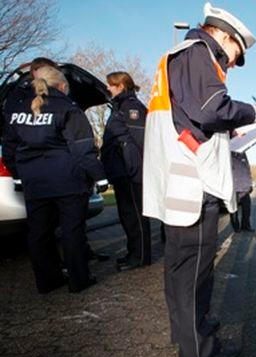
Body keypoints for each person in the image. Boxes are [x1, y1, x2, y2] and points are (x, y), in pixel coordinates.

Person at [142, 2, 256, 357]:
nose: (231, 63)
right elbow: (212, 110)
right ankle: (199, 348)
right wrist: (254, 113)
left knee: (180, 266)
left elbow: (193, 118)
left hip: (177, 176)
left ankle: (186, 329)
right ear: (223, 36)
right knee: (195, 268)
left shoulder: (178, 56)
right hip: (192, 182)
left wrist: (231, 128)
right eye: (234, 54)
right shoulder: (198, 54)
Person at [2, 66, 108, 293]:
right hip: (67, 180)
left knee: (39, 234)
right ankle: (79, 280)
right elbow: (82, 149)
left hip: (35, 183)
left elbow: (9, 149)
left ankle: (48, 282)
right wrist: (99, 177)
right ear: (61, 86)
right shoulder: (68, 108)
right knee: (72, 231)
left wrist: (19, 175)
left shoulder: (16, 109)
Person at [101, 71, 151, 271]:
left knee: (135, 215)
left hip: (131, 171)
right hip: (122, 170)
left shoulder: (132, 108)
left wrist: (132, 167)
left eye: (110, 85)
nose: (107, 88)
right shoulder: (120, 107)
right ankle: (134, 252)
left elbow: (140, 141)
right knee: (127, 215)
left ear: (121, 85)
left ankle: (140, 257)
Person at [230, 151, 254, 232]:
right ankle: (236, 227)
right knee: (234, 209)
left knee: (247, 208)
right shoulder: (228, 152)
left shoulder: (243, 153)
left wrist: (250, 183)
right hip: (233, 187)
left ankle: (246, 226)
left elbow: (247, 169)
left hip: (244, 187)